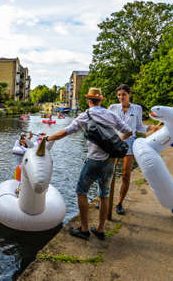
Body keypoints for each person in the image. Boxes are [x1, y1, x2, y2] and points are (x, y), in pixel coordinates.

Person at [44, 87, 132, 240]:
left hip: (93, 161)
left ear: (88, 100)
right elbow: (128, 131)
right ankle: (100, 229)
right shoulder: (111, 114)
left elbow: (65, 132)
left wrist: (47, 139)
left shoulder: (86, 115)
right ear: (101, 100)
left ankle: (84, 229)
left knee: (81, 191)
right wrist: (115, 143)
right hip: (110, 161)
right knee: (104, 195)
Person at [108, 84, 159, 215]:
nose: (121, 97)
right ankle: (104, 199)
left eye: (123, 94)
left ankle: (119, 203)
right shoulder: (113, 108)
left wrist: (150, 128)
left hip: (130, 143)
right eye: (119, 95)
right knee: (108, 173)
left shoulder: (137, 108)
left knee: (125, 175)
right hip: (115, 141)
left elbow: (139, 127)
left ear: (129, 94)